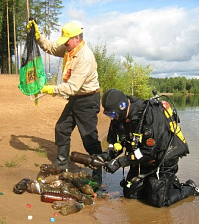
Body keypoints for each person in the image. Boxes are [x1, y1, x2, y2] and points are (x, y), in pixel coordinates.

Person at [27, 20, 102, 183]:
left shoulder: (85, 57)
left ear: (77, 38)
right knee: (62, 128)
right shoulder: (70, 48)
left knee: (89, 137)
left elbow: (72, 87)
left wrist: (49, 89)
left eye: (67, 40)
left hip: (88, 99)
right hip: (76, 98)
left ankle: (98, 173)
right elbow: (53, 48)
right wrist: (38, 37)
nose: (65, 44)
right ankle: (61, 163)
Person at [97, 88, 199, 207]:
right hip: (140, 160)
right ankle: (165, 183)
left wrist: (120, 162)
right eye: (109, 115)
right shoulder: (118, 117)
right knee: (130, 194)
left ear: (123, 106)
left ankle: (189, 188)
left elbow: (148, 151)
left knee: (158, 201)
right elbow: (115, 144)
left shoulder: (149, 115)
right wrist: (105, 156)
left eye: (112, 114)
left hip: (162, 159)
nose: (112, 117)